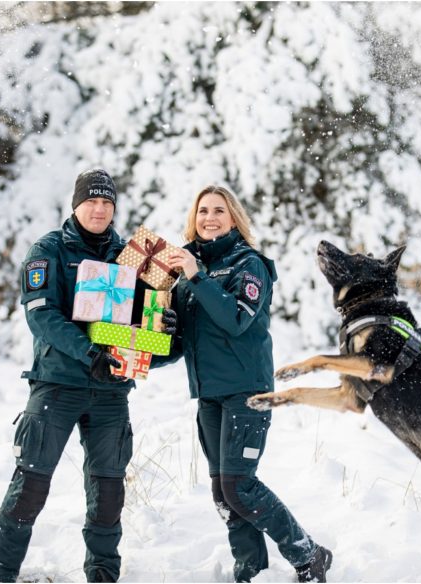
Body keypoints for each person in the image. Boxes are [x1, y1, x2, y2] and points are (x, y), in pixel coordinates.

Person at [0, 169, 176, 582]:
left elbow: (145, 335)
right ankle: (1, 575)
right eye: (91, 201)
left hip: (110, 392)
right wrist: (88, 351)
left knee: (109, 495)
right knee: (30, 488)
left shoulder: (133, 257)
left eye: (107, 203)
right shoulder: (50, 249)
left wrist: (163, 327)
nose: (99, 209)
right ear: (76, 205)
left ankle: (103, 576)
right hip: (57, 385)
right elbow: (42, 316)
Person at [163, 186, 331, 583]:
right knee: (224, 491)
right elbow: (180, 346)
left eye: (219, 210)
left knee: (240, 484)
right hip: (208, 395)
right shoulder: (187, 277)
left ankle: (309, 555)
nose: (210, 217)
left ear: (234, 217)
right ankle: (250, 570)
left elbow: (235, 319)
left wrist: (197, 277)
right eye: (202, 210)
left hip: (246, 391)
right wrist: (148, 345)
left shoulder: (249, 264)